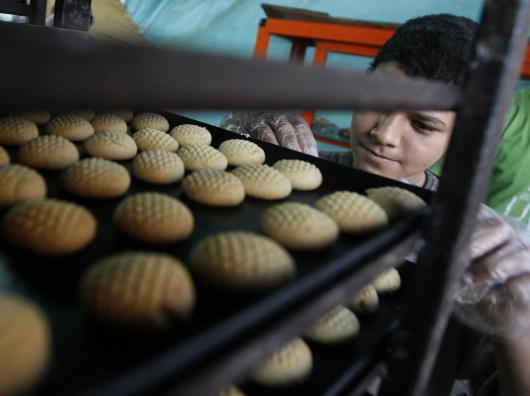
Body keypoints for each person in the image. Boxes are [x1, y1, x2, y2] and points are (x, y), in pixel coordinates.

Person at [222, 14, 530, 396]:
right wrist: (237, 144)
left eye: (422, 125)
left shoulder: (476, 246)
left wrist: (519, 325)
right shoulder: (289, 172)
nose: (384, 134)